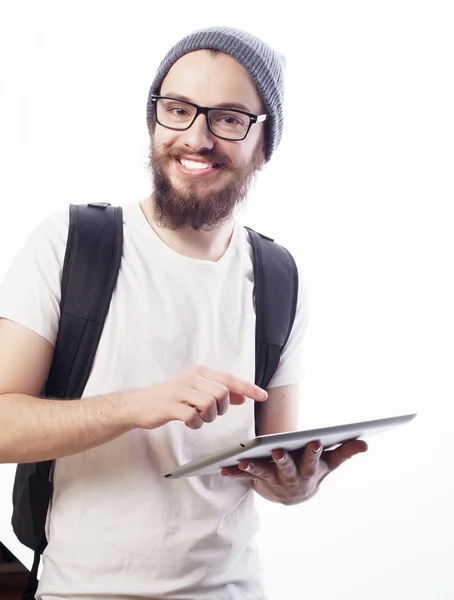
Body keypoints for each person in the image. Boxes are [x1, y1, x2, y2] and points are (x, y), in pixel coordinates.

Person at [0, 26, 367, 600]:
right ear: (155, 122)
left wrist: (295, 485)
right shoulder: (70, 244)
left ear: (263, 145)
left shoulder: (278, 275)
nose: (197, 138)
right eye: (178, 110)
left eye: (227, 119)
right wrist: (136, 405)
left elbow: (273, 462)